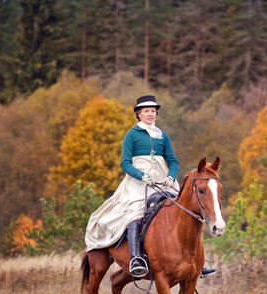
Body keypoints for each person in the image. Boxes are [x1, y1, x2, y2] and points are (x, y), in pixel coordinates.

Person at [85, 95, 216, 279]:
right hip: (137, 184)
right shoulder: (131, 134)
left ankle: (197, 262)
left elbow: (172, 160)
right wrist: (143, 176)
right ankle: (136, 258)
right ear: (139, 113)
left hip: (163, 182)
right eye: (146, 111)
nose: (150, 114)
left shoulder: (162, 135)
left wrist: (170, 176)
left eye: (153, 111)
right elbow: (124, 163)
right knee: (136, 212)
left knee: (186, 211)